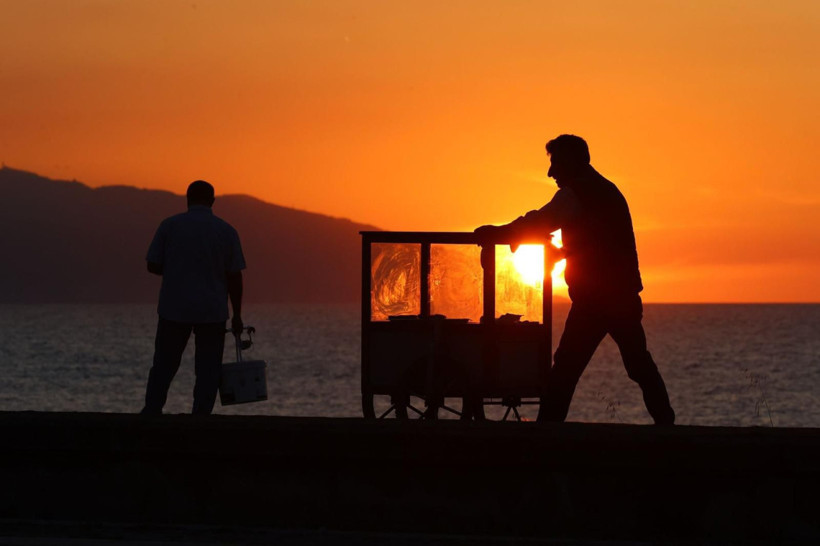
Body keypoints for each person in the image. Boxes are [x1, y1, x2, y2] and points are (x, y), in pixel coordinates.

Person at [475, 135, 674, 424]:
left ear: (571, 161)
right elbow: (599, 240)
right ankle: (666, 423)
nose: (550, 172)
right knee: (636, 364)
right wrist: (566, 253)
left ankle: (547, 434)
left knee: (567, 368)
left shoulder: (576, 193)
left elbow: (543, 220)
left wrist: (500, 231)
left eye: (555, 163)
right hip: (620, 295)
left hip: (596, 300)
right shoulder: (606, 190)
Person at [141, 180, 246, 415]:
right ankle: (200, 417)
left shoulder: (170, 226)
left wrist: (176, 269)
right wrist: (237, 314)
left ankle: (152, 411)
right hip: (212, 310)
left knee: (164, 364)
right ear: (213, 201)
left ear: (187, 199)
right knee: (208, 369)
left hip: (174, 307)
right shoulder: (226, 231)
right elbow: (234, 277)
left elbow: (153, 264)